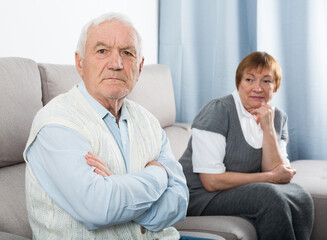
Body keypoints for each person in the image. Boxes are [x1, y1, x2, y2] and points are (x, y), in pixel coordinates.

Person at [23, 12, 192, 240]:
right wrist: (159, 173)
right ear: (80, 63)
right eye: (102, 51)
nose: (116, 64)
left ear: (140, 67)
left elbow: (179, 202)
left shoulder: (149, 121)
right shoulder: (56, 124)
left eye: (127, 53)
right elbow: (98, 208)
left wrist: (119, 192)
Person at [179, 51, 314, 240]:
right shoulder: (218, 110)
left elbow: (277, 171)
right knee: (268, 196)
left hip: (235, 190)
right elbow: (211, 181)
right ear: (239, 83)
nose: (257, 88)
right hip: (198, 196)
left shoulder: (277, 117)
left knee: (301, 195)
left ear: (275, 87)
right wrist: (269, 177)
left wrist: (268, 129)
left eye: (266, 81)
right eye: (249, 80)